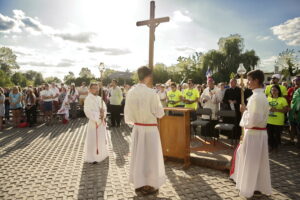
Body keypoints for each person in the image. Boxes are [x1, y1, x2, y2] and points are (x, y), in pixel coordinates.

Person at [230, 69, 272, 198]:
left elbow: (253, 120)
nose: (247, 82)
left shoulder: (256, 98)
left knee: (251, 162)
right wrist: (247, 110)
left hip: (254, 134)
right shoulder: (259, 96)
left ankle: (250, 188)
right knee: (257, 162)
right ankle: (257, 186)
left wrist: (244, 111)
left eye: (249, 80)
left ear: (256, 80)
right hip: (258, 134)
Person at [124, 66, 165, 195]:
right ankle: (150, 183)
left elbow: (128, 115)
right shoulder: (152, 93)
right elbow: (160, 113)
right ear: (148, 77)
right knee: (150, 157)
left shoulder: (130, 92)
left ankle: (138, 183)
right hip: (150, 129)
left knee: (138, 156)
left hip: (137, 128)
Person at [83, 82, 108, 163]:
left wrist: (103, 113)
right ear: (90, 89)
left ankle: (102, 155)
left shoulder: (99, 98)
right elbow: (87, 111)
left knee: (101, 139)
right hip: (94, 123)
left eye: (97, 88)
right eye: (94, 88)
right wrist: (98, 115)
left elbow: (104, 108)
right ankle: (93, 157)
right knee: (93, 141)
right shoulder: (88, 99)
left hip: (101, 122)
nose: (96, 90)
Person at [267, 84, 288, 152]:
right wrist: (268, 108)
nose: (273, 91)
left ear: (278, 91)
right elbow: (263, 108)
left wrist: (277, 110)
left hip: (278, 121)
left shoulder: (282, 99)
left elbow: (286, 110)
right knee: (269, 135)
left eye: (275, 90)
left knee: (277, 135)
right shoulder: (268, 98)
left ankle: (276, 147)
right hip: (269, 120)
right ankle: (270, 146)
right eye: (272, 90)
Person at [289, 76, 300, 148]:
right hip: (292, 112)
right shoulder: (294, 89)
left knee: (298, 129)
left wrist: (296, 111)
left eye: (297, 80)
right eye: (294, 80)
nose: (295, 81)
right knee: (292, 127)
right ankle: (292, 141)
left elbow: (299, 102)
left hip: (297, 113)